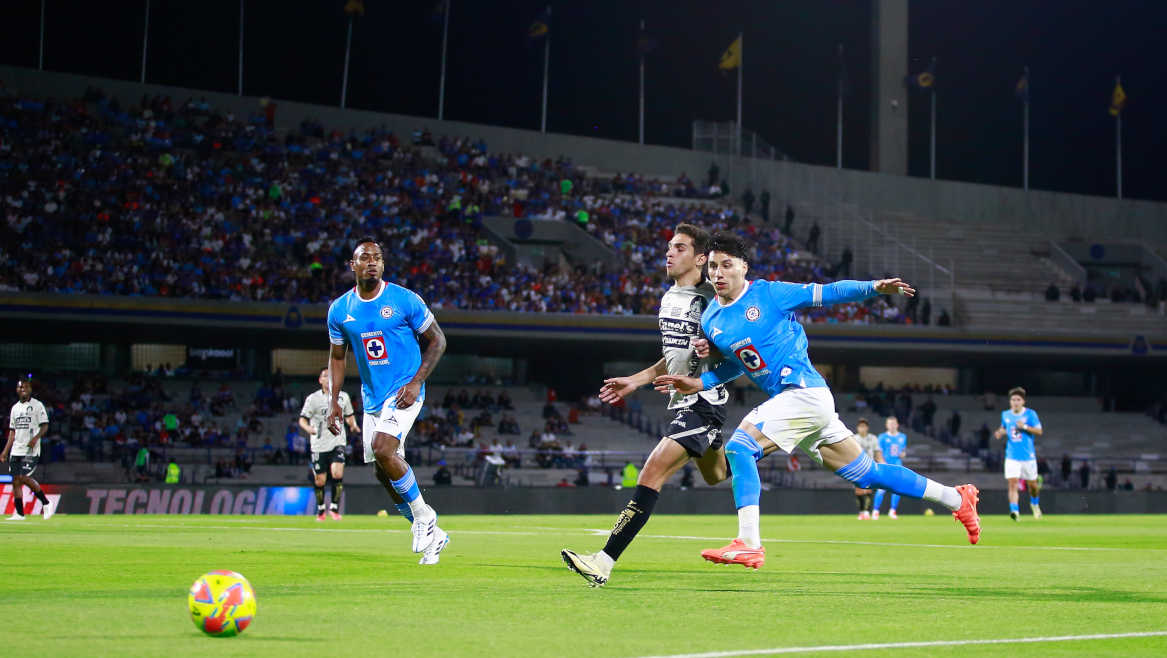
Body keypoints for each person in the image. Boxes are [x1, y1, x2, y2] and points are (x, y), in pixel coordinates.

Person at [653, 231, 980, 569]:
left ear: (744, 268)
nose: (718, 274)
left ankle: (749, 543)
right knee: (867, 474)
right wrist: (700, 381)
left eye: (727, 265)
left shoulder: (770, 293)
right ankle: (957, 498)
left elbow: (829, 292)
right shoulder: (712, 318)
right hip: (797, 404)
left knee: (738, 447)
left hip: (804, 393)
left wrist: (873, 288)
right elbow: (738, 364)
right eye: (714, 268)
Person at [561, 225, 733, 587]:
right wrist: (635, 380)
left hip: (704, 401)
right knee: (716, 475)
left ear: (701, 258)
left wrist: (716, 349)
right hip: (685, 402)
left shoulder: (712, 299)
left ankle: (602, 562)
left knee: (650, 473)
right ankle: (750, 450)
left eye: (680, 248)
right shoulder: (669, 297)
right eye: (669, 247)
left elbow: (735, 348)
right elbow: (672, 355)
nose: (669, 253)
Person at [325, 236, 451, 565]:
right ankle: (433, 534)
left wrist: (416, 381)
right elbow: (337, 358)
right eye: (365, 258)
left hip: (404, 392)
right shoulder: (340, 310)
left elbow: (438, 340)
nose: (372, 262)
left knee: (383, 448)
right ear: (352, 266)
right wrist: (334, 401)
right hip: (372, 400)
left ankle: (425, 518)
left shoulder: (403, 299)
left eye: (377, 258)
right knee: (382, 470)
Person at [301, 368, 360, 521]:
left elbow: (349, 416)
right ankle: (321, 508)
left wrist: (353, 424)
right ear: (320, 380)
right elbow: (302, 419)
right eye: (325, 376)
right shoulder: (313, 399)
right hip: (319, 444)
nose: (328, 379)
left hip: (337, 441)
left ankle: (334, 507)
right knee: (319, 480)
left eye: (330, 376)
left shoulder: (343, 397)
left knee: (337, 474)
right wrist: (308, 428)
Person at [2, 377, 55, 520]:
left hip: (30, 449)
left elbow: (45, 425)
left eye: (26, 386)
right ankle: (19, 514)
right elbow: (12, 432)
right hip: (16, 449)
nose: (23, 389)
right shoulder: (15, 408)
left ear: (30, 389)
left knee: (24, 477)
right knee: (16, 480)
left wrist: (35, 438)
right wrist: (5, 450)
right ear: (17, 390)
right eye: (20, 387)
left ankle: (46, 502)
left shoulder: (37, 405)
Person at [994, 387, 1043, 521]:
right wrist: (1000, 432)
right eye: (1013, 400)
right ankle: (1015, 511)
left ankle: (1034, 504)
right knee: (1013, 483)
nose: (1015, 402)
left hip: (1028, 456)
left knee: (1032, 485)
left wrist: (1025, 427)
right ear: (1010, 402)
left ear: (1023, 402)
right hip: (1012, 456)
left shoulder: (1030, 414)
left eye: (1018, 400)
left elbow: (1039, 431)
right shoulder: (1005, 414)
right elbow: (1004, 427)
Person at [873, 416, 908, 519]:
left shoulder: (903, 437)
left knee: (897, 489)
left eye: (894, 424)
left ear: (897, 425)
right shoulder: (882, 437)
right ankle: (875, 511)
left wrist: (903, 454)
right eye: (890, 424)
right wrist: (883, 463)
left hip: (897, 465)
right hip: (885, 465)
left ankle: (892, 510)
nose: (892, 426)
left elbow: (903, 451)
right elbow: (879, 452)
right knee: (881, 488)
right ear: (887, 425)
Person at [852, 418, 883, 520]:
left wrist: (881, 464)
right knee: (859, 490)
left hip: (869, 466)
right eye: (860, 427)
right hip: (857, 466)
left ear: (867, 428)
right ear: (857, 428)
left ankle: (866, 511)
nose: (862, 429)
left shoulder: (873, 438)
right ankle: (861, 511)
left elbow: (877, 452)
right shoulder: (854, 438)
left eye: (864, 427)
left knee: (868, 490)